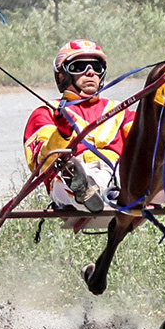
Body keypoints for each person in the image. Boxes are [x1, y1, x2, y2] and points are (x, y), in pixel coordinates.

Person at [23, 39, 134, 214]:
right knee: (68, 179)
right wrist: (62, 133)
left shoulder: (120, 109)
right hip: (70, 174)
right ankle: (84, 189)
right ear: (62, 76)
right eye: (79, 66)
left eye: (96, 67)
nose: (90, 73)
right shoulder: (47, 112)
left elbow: (148, 143)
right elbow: (42, 163)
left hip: (120, 173)